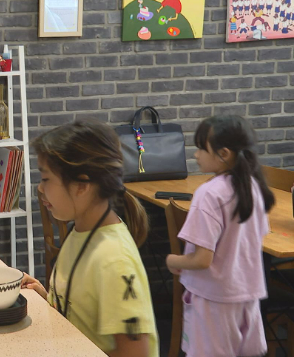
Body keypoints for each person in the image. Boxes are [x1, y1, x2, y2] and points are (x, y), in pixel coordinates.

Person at [21, 119, 159, 357]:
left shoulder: (114, 260)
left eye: (46, 179)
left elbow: (136, 352)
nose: (41, 189)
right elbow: (84, 318)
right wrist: (46, 298)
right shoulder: (81, 232)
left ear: (81, 185)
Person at [166, 115, 273, 357]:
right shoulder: (253, 187)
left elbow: (202, 260)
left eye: (201, 149)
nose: (196, 156)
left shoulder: (209, 194)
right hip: (247, 295)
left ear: (224, 153)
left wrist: (173, 261)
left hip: (213, 300)